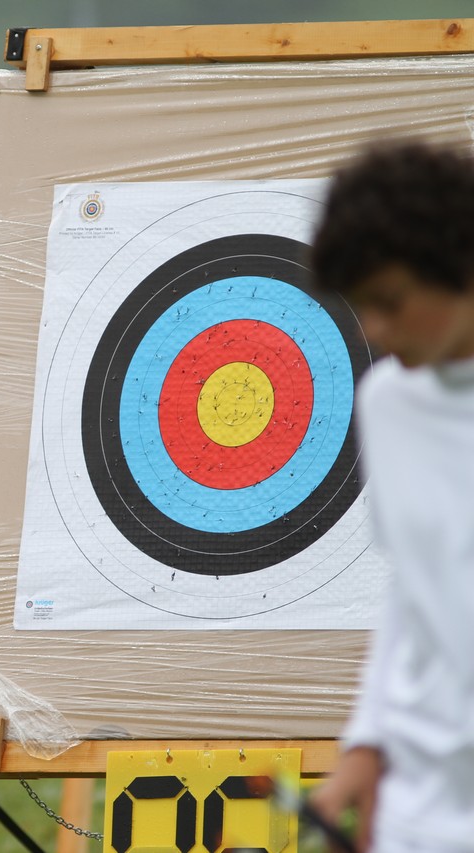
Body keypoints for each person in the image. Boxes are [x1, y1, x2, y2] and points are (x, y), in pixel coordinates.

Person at [307, 140, 474, 852]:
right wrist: (367, 742)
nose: (373, 330)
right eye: (361, 305)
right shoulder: (387, 402)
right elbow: (415, 588)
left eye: (391, 301)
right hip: (420, 809)